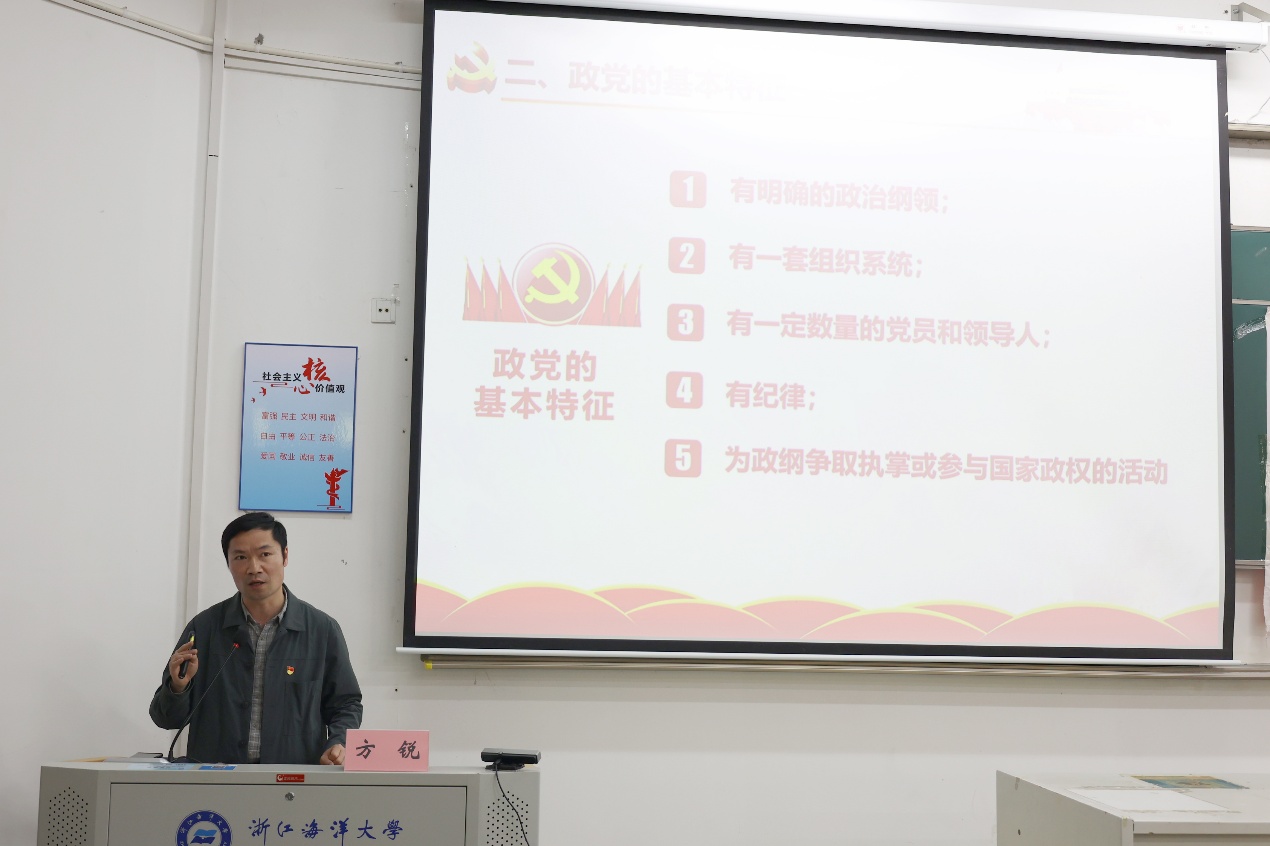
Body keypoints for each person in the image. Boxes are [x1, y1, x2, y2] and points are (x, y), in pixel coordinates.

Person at [150, 512, 362, 764]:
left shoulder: (321, 630)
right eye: (240, 557)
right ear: (229, 564)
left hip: (292, 778)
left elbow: (346, 704)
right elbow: (165, 719)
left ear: (285, 556)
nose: (254, 568)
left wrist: (339, 741)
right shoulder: (205, 628)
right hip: (217, 778)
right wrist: (178, 688)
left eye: (265, 554)